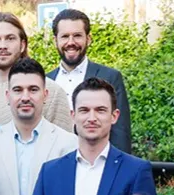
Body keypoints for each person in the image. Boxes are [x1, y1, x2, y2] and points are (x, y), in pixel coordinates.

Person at [0, 58, 78, 195]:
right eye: (18, 90)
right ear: (7, 96)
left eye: (33, 90)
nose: (25, 97)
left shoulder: (68, 144)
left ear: (45, 95)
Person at [49, 9, 132, 153]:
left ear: (88, 39)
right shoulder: (45, 81)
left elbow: (120, 132)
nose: (71, 42)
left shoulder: (110, 77)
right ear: (55, 41)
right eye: (64, 36)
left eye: (77, 36)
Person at [0, 12, 73, 131]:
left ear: (22, 45)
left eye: (10, 38)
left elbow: (66, 146)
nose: (3, 46)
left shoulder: (52, 92)